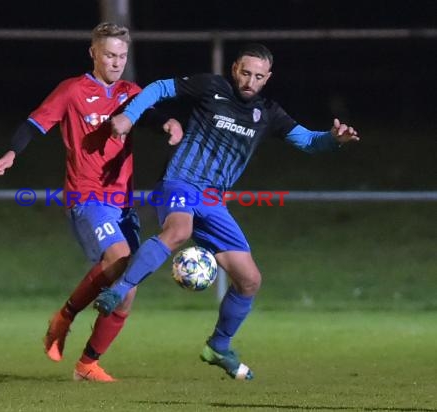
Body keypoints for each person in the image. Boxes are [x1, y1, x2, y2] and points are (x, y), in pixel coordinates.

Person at [94, 43, 359, 380]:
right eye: (246, 73)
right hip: (179, 182)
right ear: (235, 69)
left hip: (213, 200)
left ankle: (219, 346)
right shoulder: (212, 88)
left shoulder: (269, 113)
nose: (250, 81)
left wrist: (334, 139)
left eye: (258, 76)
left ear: (267, 78)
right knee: (179, 231)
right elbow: (161, 87)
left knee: (250, 280)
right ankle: (119, 289)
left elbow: (308, 141)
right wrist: (130, 116)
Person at [0, 22, 182, 382]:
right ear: (92, 52)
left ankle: (87, 364)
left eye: (122, 56)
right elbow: (34, 124)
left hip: (122, 201)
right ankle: (63, 317)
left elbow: (150, 115)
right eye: (109, 54)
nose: (116, 62)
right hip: (86, 196)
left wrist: (169, 124)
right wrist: (11, 153)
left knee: (128, 289)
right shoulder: (72, 91)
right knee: (120, 259)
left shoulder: (129, 91)